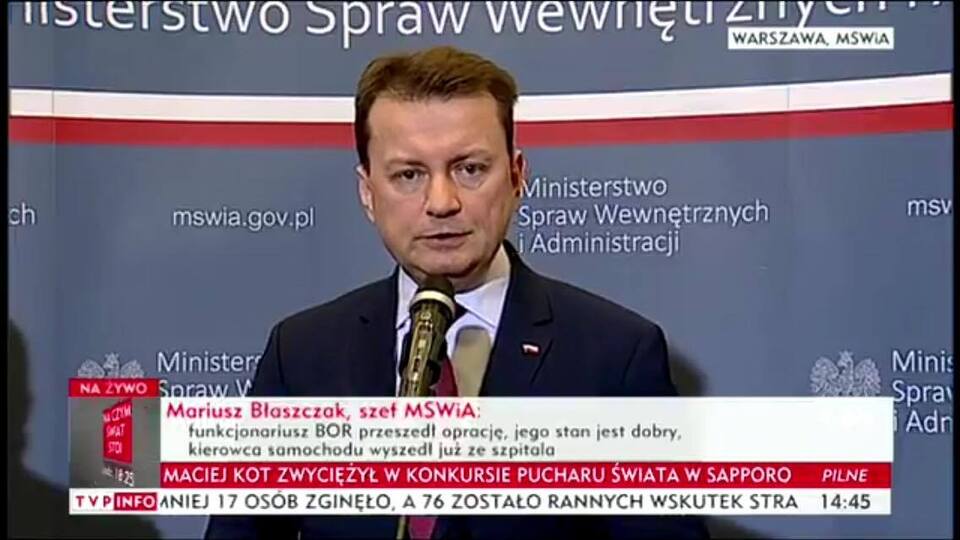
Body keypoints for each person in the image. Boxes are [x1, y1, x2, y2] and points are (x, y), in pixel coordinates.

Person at [206, 45, 708, 540]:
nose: (442, 202)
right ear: (367, 192)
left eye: (470, 169)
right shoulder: (301, 355)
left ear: (517, 176)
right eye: (409, 175)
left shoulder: (615, 356)